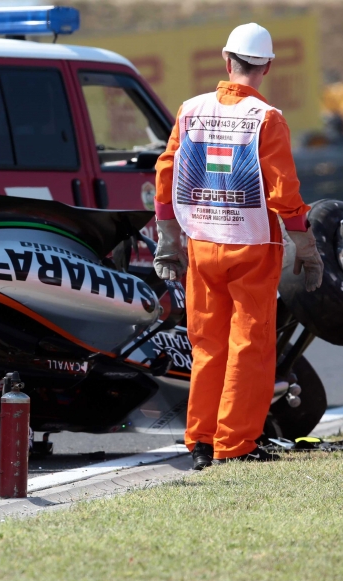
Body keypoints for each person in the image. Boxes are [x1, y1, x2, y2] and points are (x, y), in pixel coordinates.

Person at [153, 23, 323, 470]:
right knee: (250, 344)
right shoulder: (266, 119)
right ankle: (235, 443)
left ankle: (201, 439)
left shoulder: (190, 110)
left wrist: (168, 238)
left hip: (202, 245)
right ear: (267, 65)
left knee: (208, 344)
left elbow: (165, 176)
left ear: (227, 61)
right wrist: (306, 246)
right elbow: (285, 194)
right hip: (251, 246)